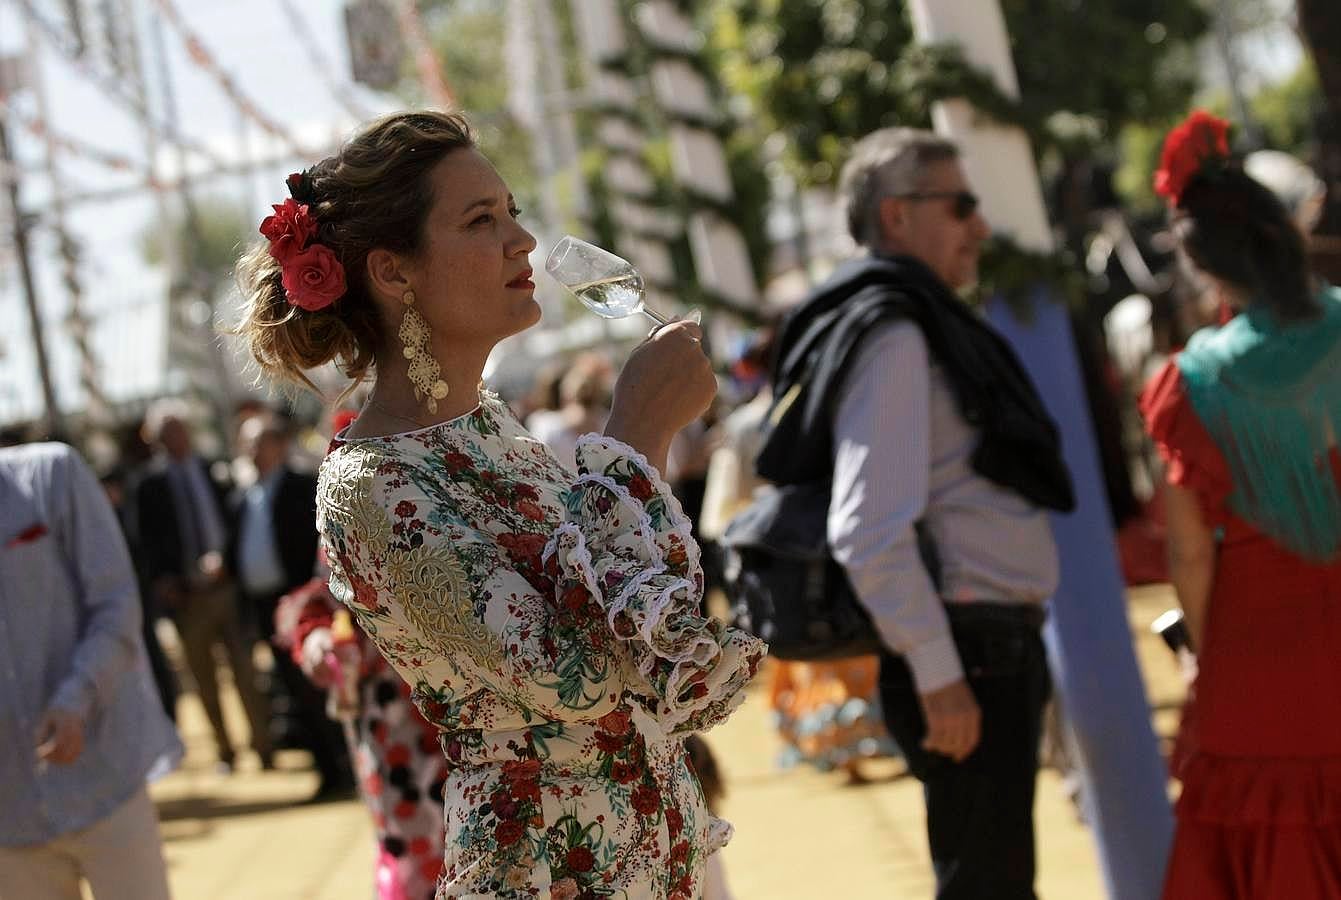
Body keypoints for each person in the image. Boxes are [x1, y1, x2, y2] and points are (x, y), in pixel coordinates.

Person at [236, 110, 765, 898]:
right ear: (394, 272)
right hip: (553, 867)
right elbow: (573, 678)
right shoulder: (368, 485)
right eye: (481, 219)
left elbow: (634, 618)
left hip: (652, 850)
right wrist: (633, 438)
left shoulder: (488, 426)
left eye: (511, 210)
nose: (521, 240)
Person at [771, 127, 1072, 899]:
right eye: (961, 205)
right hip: (968, 653)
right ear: (898, 216)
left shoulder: (913, 320)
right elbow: (865, 526)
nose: (979, 226)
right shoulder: (897, 332)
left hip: (979, 647)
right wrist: (939, 676)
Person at [1139, 110, 1341, 899]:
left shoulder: (1190, 381)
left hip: (1260, 655)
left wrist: (1205, 652)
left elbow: (1190, 551)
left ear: (1204, 268)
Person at [0, 441, 182, 899]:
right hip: (9, 820)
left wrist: (75, 700)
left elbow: (116, 603)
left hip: (104, 777)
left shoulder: (52, 475)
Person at [276, 571, 448, 900]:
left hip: (495, 719)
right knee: (414, 857)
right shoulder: (347, 520)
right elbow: (328, 593)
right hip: (396, 726)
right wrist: (320, 635)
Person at [133, 400, 274, 773]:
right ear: (155, 439)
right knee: (203, 679)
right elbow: (145, 543)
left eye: (180, 429)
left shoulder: (217, 470)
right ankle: (225, 752)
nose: (176, 438)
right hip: (186, 600)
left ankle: (264, 747)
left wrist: (228, 564)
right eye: (167, 433)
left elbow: (235, 521)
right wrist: (166, 583)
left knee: (245, 670)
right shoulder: (148, 485)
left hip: (226, 589)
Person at [229, 412, 353, 799]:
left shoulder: (303, 486)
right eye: (247, 443)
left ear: (280, 445)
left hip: (308, 606)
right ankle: (326, 768)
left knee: (321, 684)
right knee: (295, 690)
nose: (251, 451)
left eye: (259, 441)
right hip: (267, 608)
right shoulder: (242, 496)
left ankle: (344, 765)